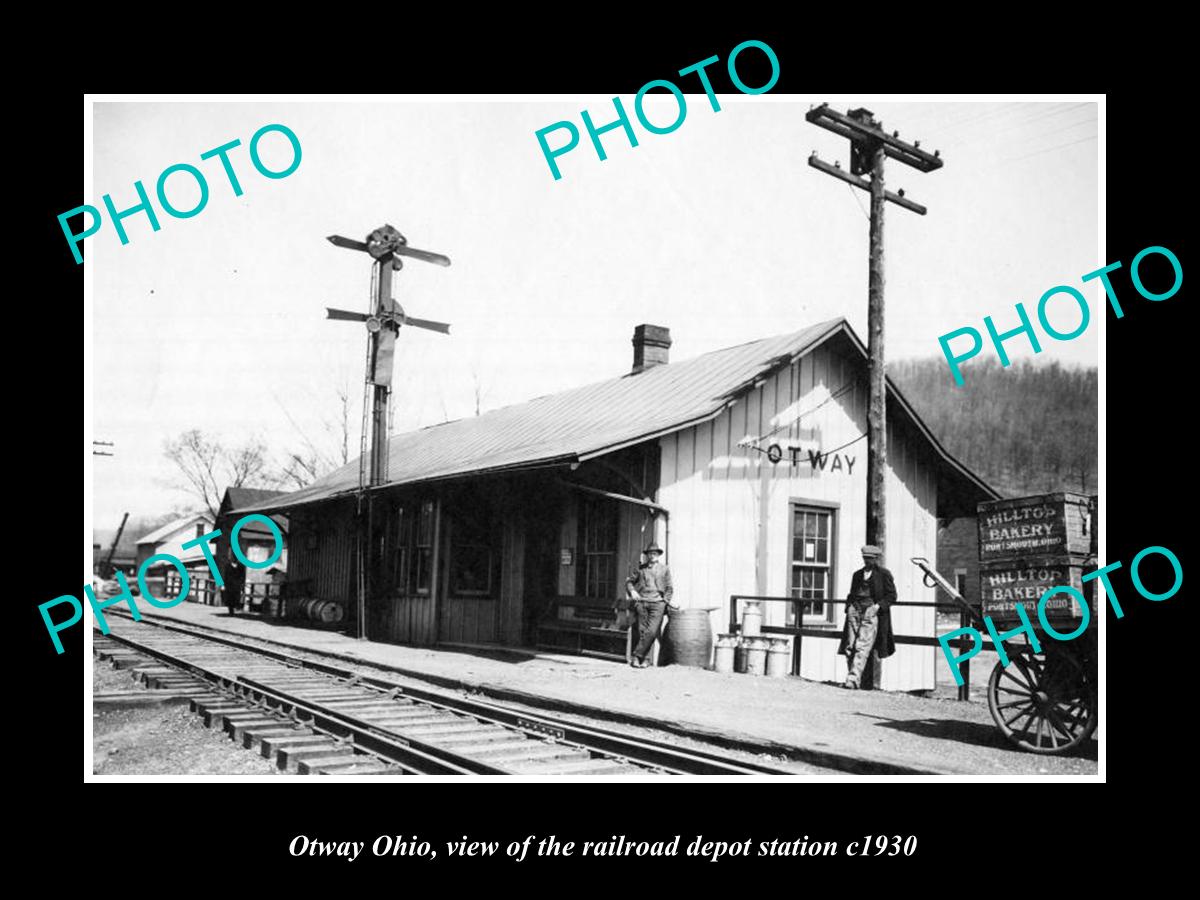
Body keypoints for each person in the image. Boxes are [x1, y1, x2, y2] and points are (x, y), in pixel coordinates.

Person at [838, 544, 897, 689]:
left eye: (870, 559)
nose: (867, 561)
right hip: (855, 610)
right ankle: (854, 678)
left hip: (870, 612)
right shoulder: (857, 574)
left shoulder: (884, 574)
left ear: (876, 559)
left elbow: (892, 596)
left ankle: (852, 679)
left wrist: (877, 607)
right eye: (865, 558)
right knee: (850, 645)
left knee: (862, 646)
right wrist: (849, 606)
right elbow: (851, 593)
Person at [625, 542, 676, 668]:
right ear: (647, 555)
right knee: (642, 631)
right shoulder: (641, 569)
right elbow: (629, 581)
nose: (652, 556)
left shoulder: (664, 569)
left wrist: (665, 601)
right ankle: (645, 659)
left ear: (658, 555)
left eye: (654, 553)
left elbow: (669, 587)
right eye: (650, 553)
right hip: (642, 602)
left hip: (658, 604)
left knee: (652, 631)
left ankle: (637, 656)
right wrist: (632, 591)